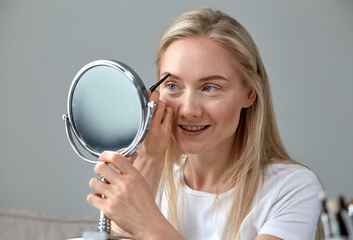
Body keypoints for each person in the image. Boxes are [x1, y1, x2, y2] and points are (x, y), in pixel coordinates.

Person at [87, 7, 323, 240]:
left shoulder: (292, 187)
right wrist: (150, 159)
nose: (189, 110)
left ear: (249, 94)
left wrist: (149, 224)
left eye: (210, 88)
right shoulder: (151, 174)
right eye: (173, 86)